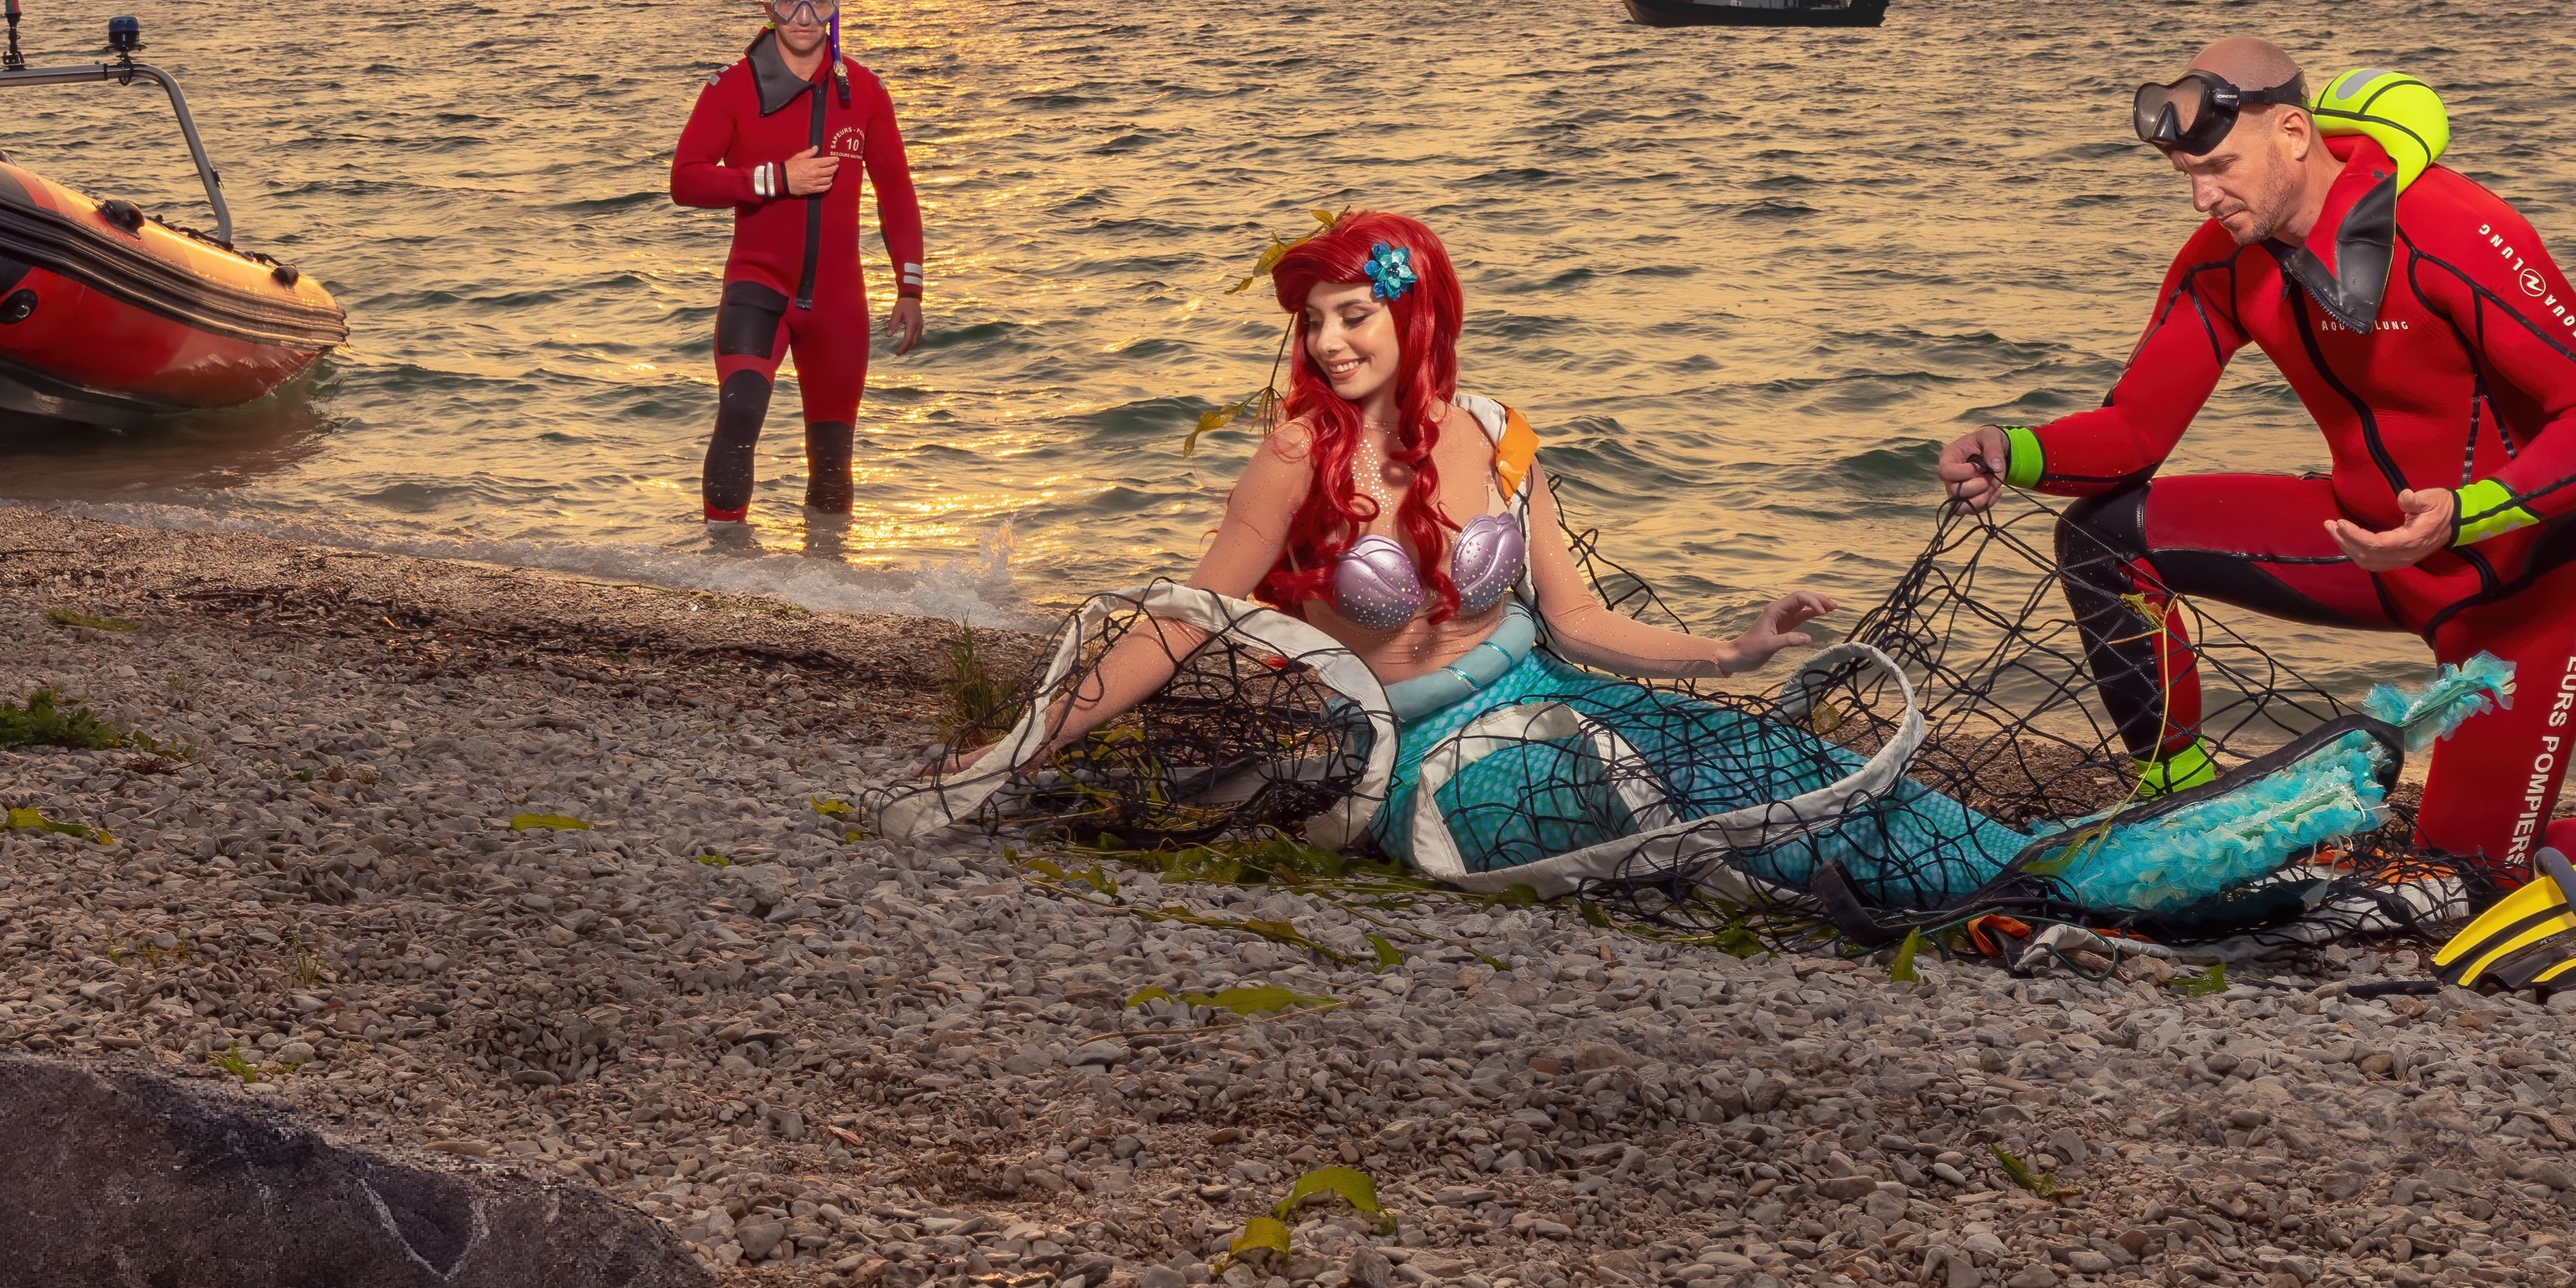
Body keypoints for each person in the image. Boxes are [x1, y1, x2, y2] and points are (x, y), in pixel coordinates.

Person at [893, 212, 2472, 923]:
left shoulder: (1499, 427)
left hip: (1558, 688)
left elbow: (1577, 618)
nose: (1330, 337)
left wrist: (1734, 640)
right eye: (1312, 318)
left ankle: (2048, 871)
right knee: (1716, 807)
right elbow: (1184, 622)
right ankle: (2028, 896)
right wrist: (1010, 754)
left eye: (1357, 311)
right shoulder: (1295, 457)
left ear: (1417, 313)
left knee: (1786, 750)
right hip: (1430, 767)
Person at [1941, 39, 2576, 878]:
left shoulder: (2453, 228)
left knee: (2465, 871)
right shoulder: (2221, 258)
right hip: (2367, 544)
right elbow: (2135, 429)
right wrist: (2015, 450)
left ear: (2290, 131)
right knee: (2103, 539)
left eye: (2215, 166)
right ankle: (2175, 792)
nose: (2199, 196)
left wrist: (2466, 511)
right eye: (2183, 174)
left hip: (2523, 574)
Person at [666, 0, 923, 532]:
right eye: (789, 1)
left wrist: (911, 286)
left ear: (834, 10)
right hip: (758, 286)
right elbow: (686, 178)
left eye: (818, 2)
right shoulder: (732, 88)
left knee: (833, 459)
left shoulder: (866, 92)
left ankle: (827, 585)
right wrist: (773, 178)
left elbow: (897, 194)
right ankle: (720, 572)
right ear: (769, 9)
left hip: (838, 303)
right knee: (740, 413)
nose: (803, 16)